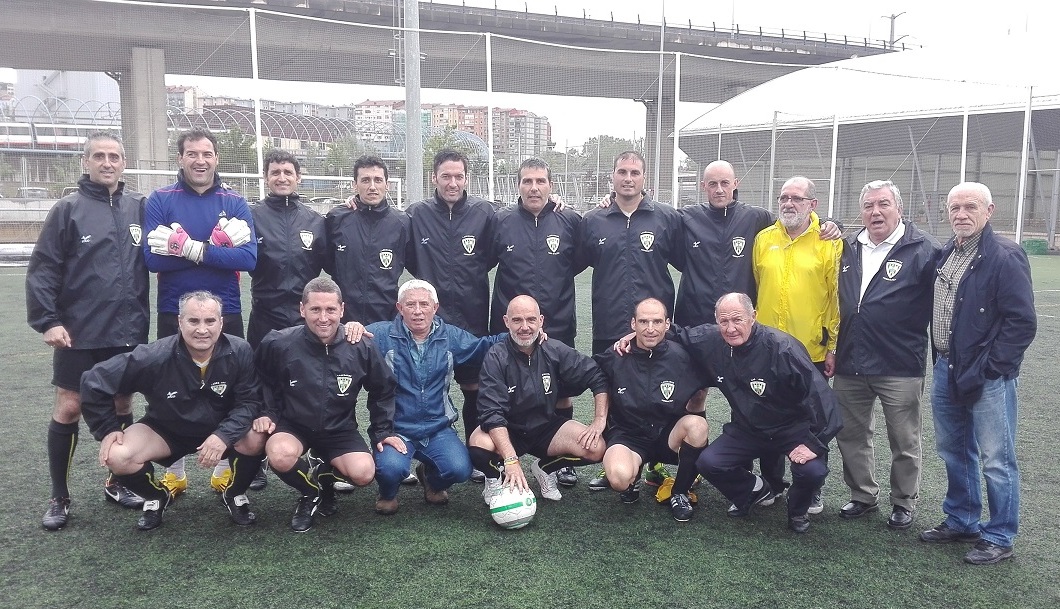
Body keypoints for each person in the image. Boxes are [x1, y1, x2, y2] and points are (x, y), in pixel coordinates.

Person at [27, 132, 150, 530]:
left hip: (127, 329)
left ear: (124, 163)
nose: (107, 163)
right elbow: (44, 268)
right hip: (78, 331)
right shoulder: (68, 209)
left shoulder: (139, 207)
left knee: (121, 404)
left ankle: (118, 481)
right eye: (99, 156)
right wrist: (48, 320)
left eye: (114, 156)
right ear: (86, 162)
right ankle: (59, 496)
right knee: (70, 406)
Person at [80, 291, 267, 531]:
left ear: (221, 323)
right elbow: (94, 381)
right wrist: (108, 428)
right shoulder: (155, 356)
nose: (202, 329)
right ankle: (157, 497)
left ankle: (235, 493)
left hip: (221, 428)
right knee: (117, 455)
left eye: (210, 321)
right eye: (193, 321)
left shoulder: (240, 350)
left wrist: (224, 435)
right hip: (166, 430)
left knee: (256, 436)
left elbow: (249, 402)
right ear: (180, 322)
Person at [919, 182, 1036, 565]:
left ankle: (1000, 536)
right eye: (955, 208)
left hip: (987, 376)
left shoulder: (1005, 255)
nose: (961, 214)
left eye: (970, 207)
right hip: (946, 367)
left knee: (996, 459)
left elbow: (1022, 322)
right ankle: (962, 520)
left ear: (989, 210)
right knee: (954, 450)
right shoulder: (946, 253)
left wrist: (993, 368)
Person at [143, 127, 257, 495]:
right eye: (192, 153)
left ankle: (223, 468)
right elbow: (152, 259)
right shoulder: (161, 199)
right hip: (173, 309)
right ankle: (174, 471)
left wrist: (188, 248)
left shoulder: (234, 202)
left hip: (226, 309)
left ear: (216, 158)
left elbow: (248, 258)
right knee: (169, 387)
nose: (200, 160)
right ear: (180, 158)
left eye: (206, 153)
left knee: (229, 388)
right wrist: (216, 249)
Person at [253, 278, 401, 532]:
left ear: (342, 310)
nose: (323, 318)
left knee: (364, 474)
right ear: (302, 309)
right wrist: (267, 412)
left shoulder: (360, 345)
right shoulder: (279, 342)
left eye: (330, 309)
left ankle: (323, 475)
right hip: (294, 426)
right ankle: (310, 493)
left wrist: (382, 431)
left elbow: (383, 389)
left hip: (339, 429)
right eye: (315, 309)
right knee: (279, 454)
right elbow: (259, 379)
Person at [833, 180, 939, 530]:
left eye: (883, 204)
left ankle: (903, 502)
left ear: (899, 209)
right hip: (850, 359)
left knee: (904, 439)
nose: (875, 212)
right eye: (868, 206)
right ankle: (862, 495)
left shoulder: (924, 249)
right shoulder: (847, 246)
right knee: (851, 434)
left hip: (900, 363)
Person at [691, 293, 842, 534]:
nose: (730, 328)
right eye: (723, 321)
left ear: (753, 316)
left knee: (812, 471)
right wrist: (634, 336)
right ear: (716, 321)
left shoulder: (783, 348)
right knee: (709, 463)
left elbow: (825, 401)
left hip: (790, 429)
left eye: (737, 320)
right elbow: (676, 334)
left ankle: (798, 510)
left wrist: (814, 444)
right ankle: (755, 489)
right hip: (748, 429)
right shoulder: (713, 340)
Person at [578, 151, 682, 491]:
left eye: (634, 172)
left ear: (644, 178)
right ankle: (615, 459)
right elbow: (573, 261)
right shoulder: (593, 220)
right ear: (612, 176)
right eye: (622, 171)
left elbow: (687, 260)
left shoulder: (666, 217)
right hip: (609, 322)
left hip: (653, 328)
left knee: (656, 390)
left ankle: (655, 463)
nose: (628, 178)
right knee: (611, 390)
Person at [366, 279, 506, 515]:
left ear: (435, 307)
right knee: (390, 469)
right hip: (396, 429)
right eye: (410, 305)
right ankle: (387, 493)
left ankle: (431, 480)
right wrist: (351, 327)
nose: (418, 311)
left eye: (424, 304)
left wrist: (523, 335)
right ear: (399, 308)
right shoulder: (380, 334)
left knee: (460, 469)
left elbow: (484, 345)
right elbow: (350, 337)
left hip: (437, 428)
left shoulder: (449, 336)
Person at [489, 157, 586, 487]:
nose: (534, 187)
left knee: (562, 391)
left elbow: (579, 261)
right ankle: (500, 457)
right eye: (527, 181)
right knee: (505, 390)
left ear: (550, 185)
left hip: (557, 321)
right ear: (518, 185)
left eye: (540, 181)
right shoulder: (500, 221)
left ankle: (557, 464)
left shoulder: (569, 220)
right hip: (512, 327)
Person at [751, 175, 842, 514]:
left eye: (797, 198)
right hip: (765, 350)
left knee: (813, 420)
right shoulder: (764, 239)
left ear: (812, 204)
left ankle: (811, 489)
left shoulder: (829, 242)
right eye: (784, 197)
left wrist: (833, 346)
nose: (789, 203)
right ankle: (772, 484)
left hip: (810, 350)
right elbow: (758, 285)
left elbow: (836, 298)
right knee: (766, 416)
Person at [405, 149, 497, 480]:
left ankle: (475, 454)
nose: (452, 183)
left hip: (472, 319)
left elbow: (493, 254)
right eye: (446, 176)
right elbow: (408, 257)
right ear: (434, 178)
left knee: (474, 388)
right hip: (429, 323)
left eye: (459, 176)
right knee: (424, 388)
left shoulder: (484, 213)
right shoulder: (416, 214)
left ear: (466, 178)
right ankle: (420, 458)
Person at [468, 295, 609, 504]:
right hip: (510, 429)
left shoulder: (554, 349)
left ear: (541, 321)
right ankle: (495, 478)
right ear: (506, 322)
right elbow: (491, 412)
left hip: (546, 427)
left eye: (531, 320)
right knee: (478, 445)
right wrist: (511, 459)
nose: (525, 327)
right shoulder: (496, 356)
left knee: (596, 448)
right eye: (517, 320)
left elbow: (596, 375)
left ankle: (545, 468)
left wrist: (599, 419)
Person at [593, 298, 709, 522]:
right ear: (633, 324)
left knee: (697, 426)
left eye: (657, 322)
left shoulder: (683, 357)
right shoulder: (616, 355)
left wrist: (699, 407)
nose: (650, 328)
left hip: (668, 435)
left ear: (667, 324)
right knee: (618, 477)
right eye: (643, 322)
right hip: (629, 436)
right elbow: (585, 373)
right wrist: (599, 418)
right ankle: (632, 478)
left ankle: (679, 492)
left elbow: (713, 377)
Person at [247, 149, 325, 348]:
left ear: (298, 177)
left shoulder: (315, 221)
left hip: (305, 318)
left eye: (288, 172)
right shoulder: (251, 216)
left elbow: (331, 264)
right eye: (275, 172)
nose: (282, 178)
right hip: (264, 317)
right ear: (266, 178)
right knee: (262, 367)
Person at [325, 155, 410, 326]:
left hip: (386, 318)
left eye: (378, 180)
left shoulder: (402, 222)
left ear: (387, 184)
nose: (372, 187)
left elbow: (412, 261)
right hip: (344, 318)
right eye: (365, 180)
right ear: (354, 184)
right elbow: (326, 262)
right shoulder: (336, 218)